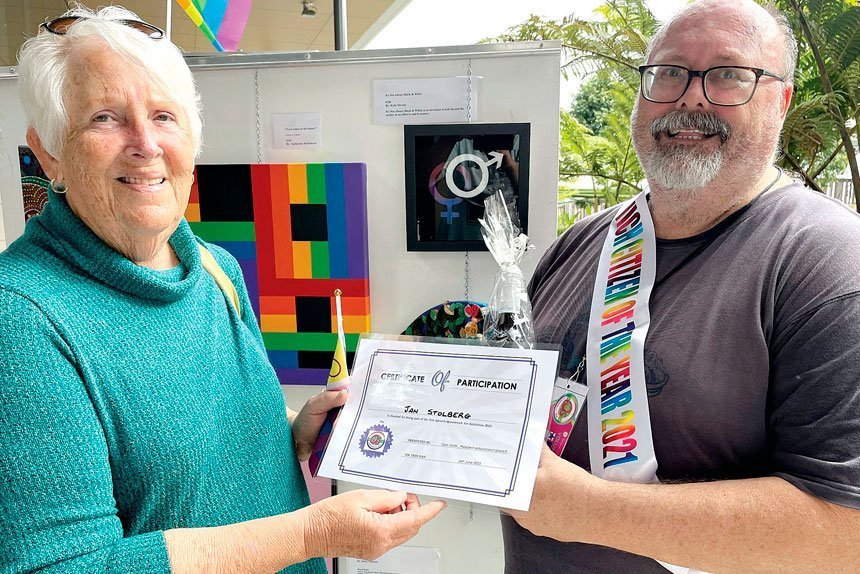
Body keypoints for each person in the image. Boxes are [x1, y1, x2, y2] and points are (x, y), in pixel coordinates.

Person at [0, 6, 444, 573]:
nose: (145, 143)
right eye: (105, 118)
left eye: (164, 116)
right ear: (48, 154)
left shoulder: (216, 269)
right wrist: (314, 532)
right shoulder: (22, 318)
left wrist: (292, 430)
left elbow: (184, 464)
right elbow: (62, 567)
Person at [503, 0, 860, 572]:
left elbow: (846, 531)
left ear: (782, 100)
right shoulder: (578, 244)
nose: (691, 96)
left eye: (728, 75)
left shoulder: (828, 263)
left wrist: (590, 511)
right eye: (668, 72)